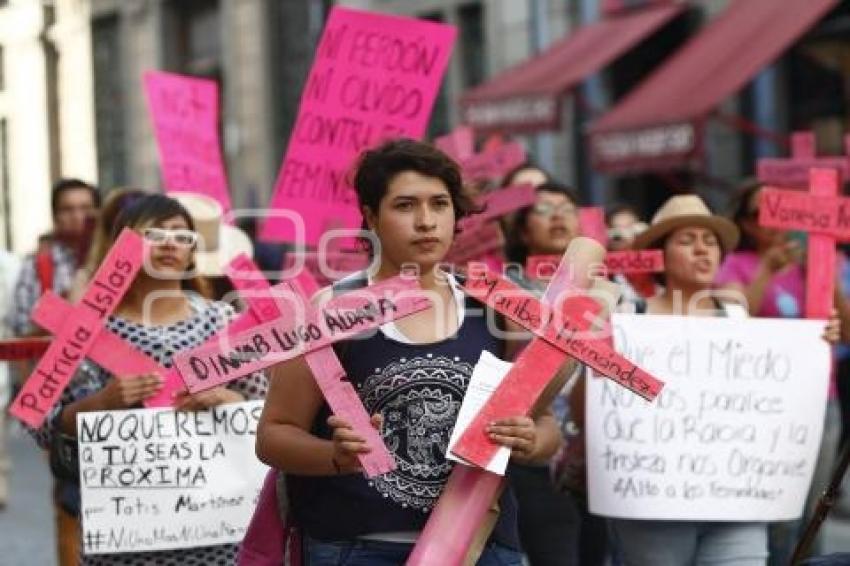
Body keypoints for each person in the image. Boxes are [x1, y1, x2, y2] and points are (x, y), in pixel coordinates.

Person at [256, 139, 569, 565]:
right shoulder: (331, 311)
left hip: (480, 545)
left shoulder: (494, 305)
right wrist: (333, 456)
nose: (426, 222)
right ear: (371, 216)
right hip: (359, 547)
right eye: (405, 206)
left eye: (439, 204)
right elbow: (274, 434)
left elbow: (544, 421)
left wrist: (531, 442)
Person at [28, 193, 267, 566]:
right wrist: (100, 403)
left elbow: (266, 413)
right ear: (124, 245)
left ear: (192, 254)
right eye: (155, 234)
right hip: (125, 538)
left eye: (182, 236)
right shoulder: (84, 332)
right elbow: (42, 425)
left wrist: (228, 400)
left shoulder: (223, 323)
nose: (170, 243)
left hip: (218, 531)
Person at [610, 194, 841, 566]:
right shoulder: (628, 316)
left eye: (710, 241)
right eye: (686, 241)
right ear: (659, 254)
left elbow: (766, 389)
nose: (702, 250)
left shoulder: (735, 314)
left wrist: (814, 343)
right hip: (655, 500)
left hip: (733, 500)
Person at [717, 181, 850, 564]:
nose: (773, 223)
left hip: (822, 399)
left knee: (815, 506)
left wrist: (822, 277)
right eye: (762, 213)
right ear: (744, 221)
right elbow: (734, 323)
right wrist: (765, 271)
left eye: (781, 212)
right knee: (777, 510)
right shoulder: (734, 265)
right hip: (767, 403)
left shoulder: (817, 262)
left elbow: (846, 327)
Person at [503, 180, 608, 566]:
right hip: (533, 447)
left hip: (596, 455)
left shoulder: (610, 290)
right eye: (545, 210)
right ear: (523, 228)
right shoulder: (506, 288)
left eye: (567, 207)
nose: (559, 215)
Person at [9, 178, 100, 337]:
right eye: (67, 209)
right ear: (55, 215)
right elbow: (21, 330)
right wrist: (62, 308)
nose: (77, 216)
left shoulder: (113, 261)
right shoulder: (36, 265)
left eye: (86, 208)